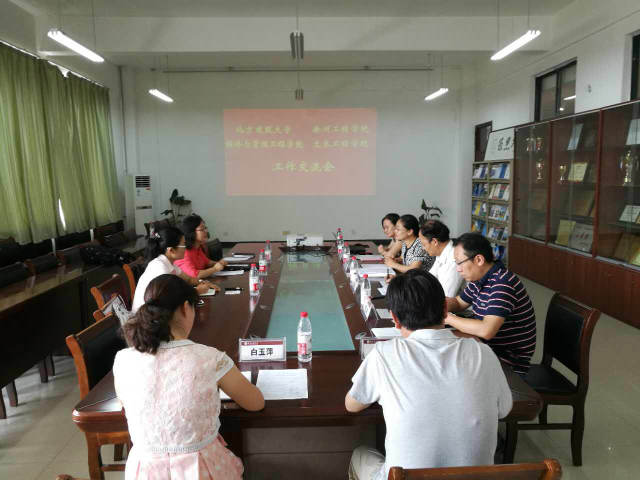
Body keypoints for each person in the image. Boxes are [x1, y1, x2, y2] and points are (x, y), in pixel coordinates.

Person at [346, 270, 512, 480]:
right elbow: (504, 410)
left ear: (395, 319)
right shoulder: (483, 353)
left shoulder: (384, 354)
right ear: (445, 309)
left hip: (402, 477)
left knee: (361, 454)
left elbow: (352, 405)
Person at [114, 274, 265, 480]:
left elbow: (126, 403)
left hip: (144, 473)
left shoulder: (123, 359)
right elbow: (255, 403)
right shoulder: (210, 358)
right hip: (202, 469)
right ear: (186, 307)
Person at [445, 233, 536, 376]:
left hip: (508, 362)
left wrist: (446, 317)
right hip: (486, 348)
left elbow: (486, 330)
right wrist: (432, 303)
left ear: (479, 260)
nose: (458, 269)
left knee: (447, 365)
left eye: (459, 263)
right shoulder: (479, 279)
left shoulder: (503, 283)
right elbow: (458, 303)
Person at [131, 227, 219, 313]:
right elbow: (173, 298)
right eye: (183, 245)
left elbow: (189, 279)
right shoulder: (160, 268)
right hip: (146, 317)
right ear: (171, 250)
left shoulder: (169, 262)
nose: (185, 248)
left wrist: (203, 282)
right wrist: (198, 291)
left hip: (157, 312)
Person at [419, 220, 464, 298]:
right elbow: (429, 278)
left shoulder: (454, 259)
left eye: (423, 244)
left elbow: (446, 297)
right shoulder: (441, 252)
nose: (423, 248)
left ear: (434, 241)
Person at [175, 214, 228, 279]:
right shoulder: (183, 253)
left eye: (205, 228)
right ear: (191, 232)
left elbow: (206, 262)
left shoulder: (197, 247)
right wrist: (215, 269)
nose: (206, 231)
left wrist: (219, 263)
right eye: (202, 229)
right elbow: (195, 275)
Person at [384, 214, 434, 281]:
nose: (395, 231)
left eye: (398, 229)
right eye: (395, 228)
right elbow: (403, 258)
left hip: (423, 282)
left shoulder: (419, 245)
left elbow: (413, 270)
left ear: (409, 232)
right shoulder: (405, 242)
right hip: (411, 279)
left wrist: (394, 264)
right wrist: (397, 260)